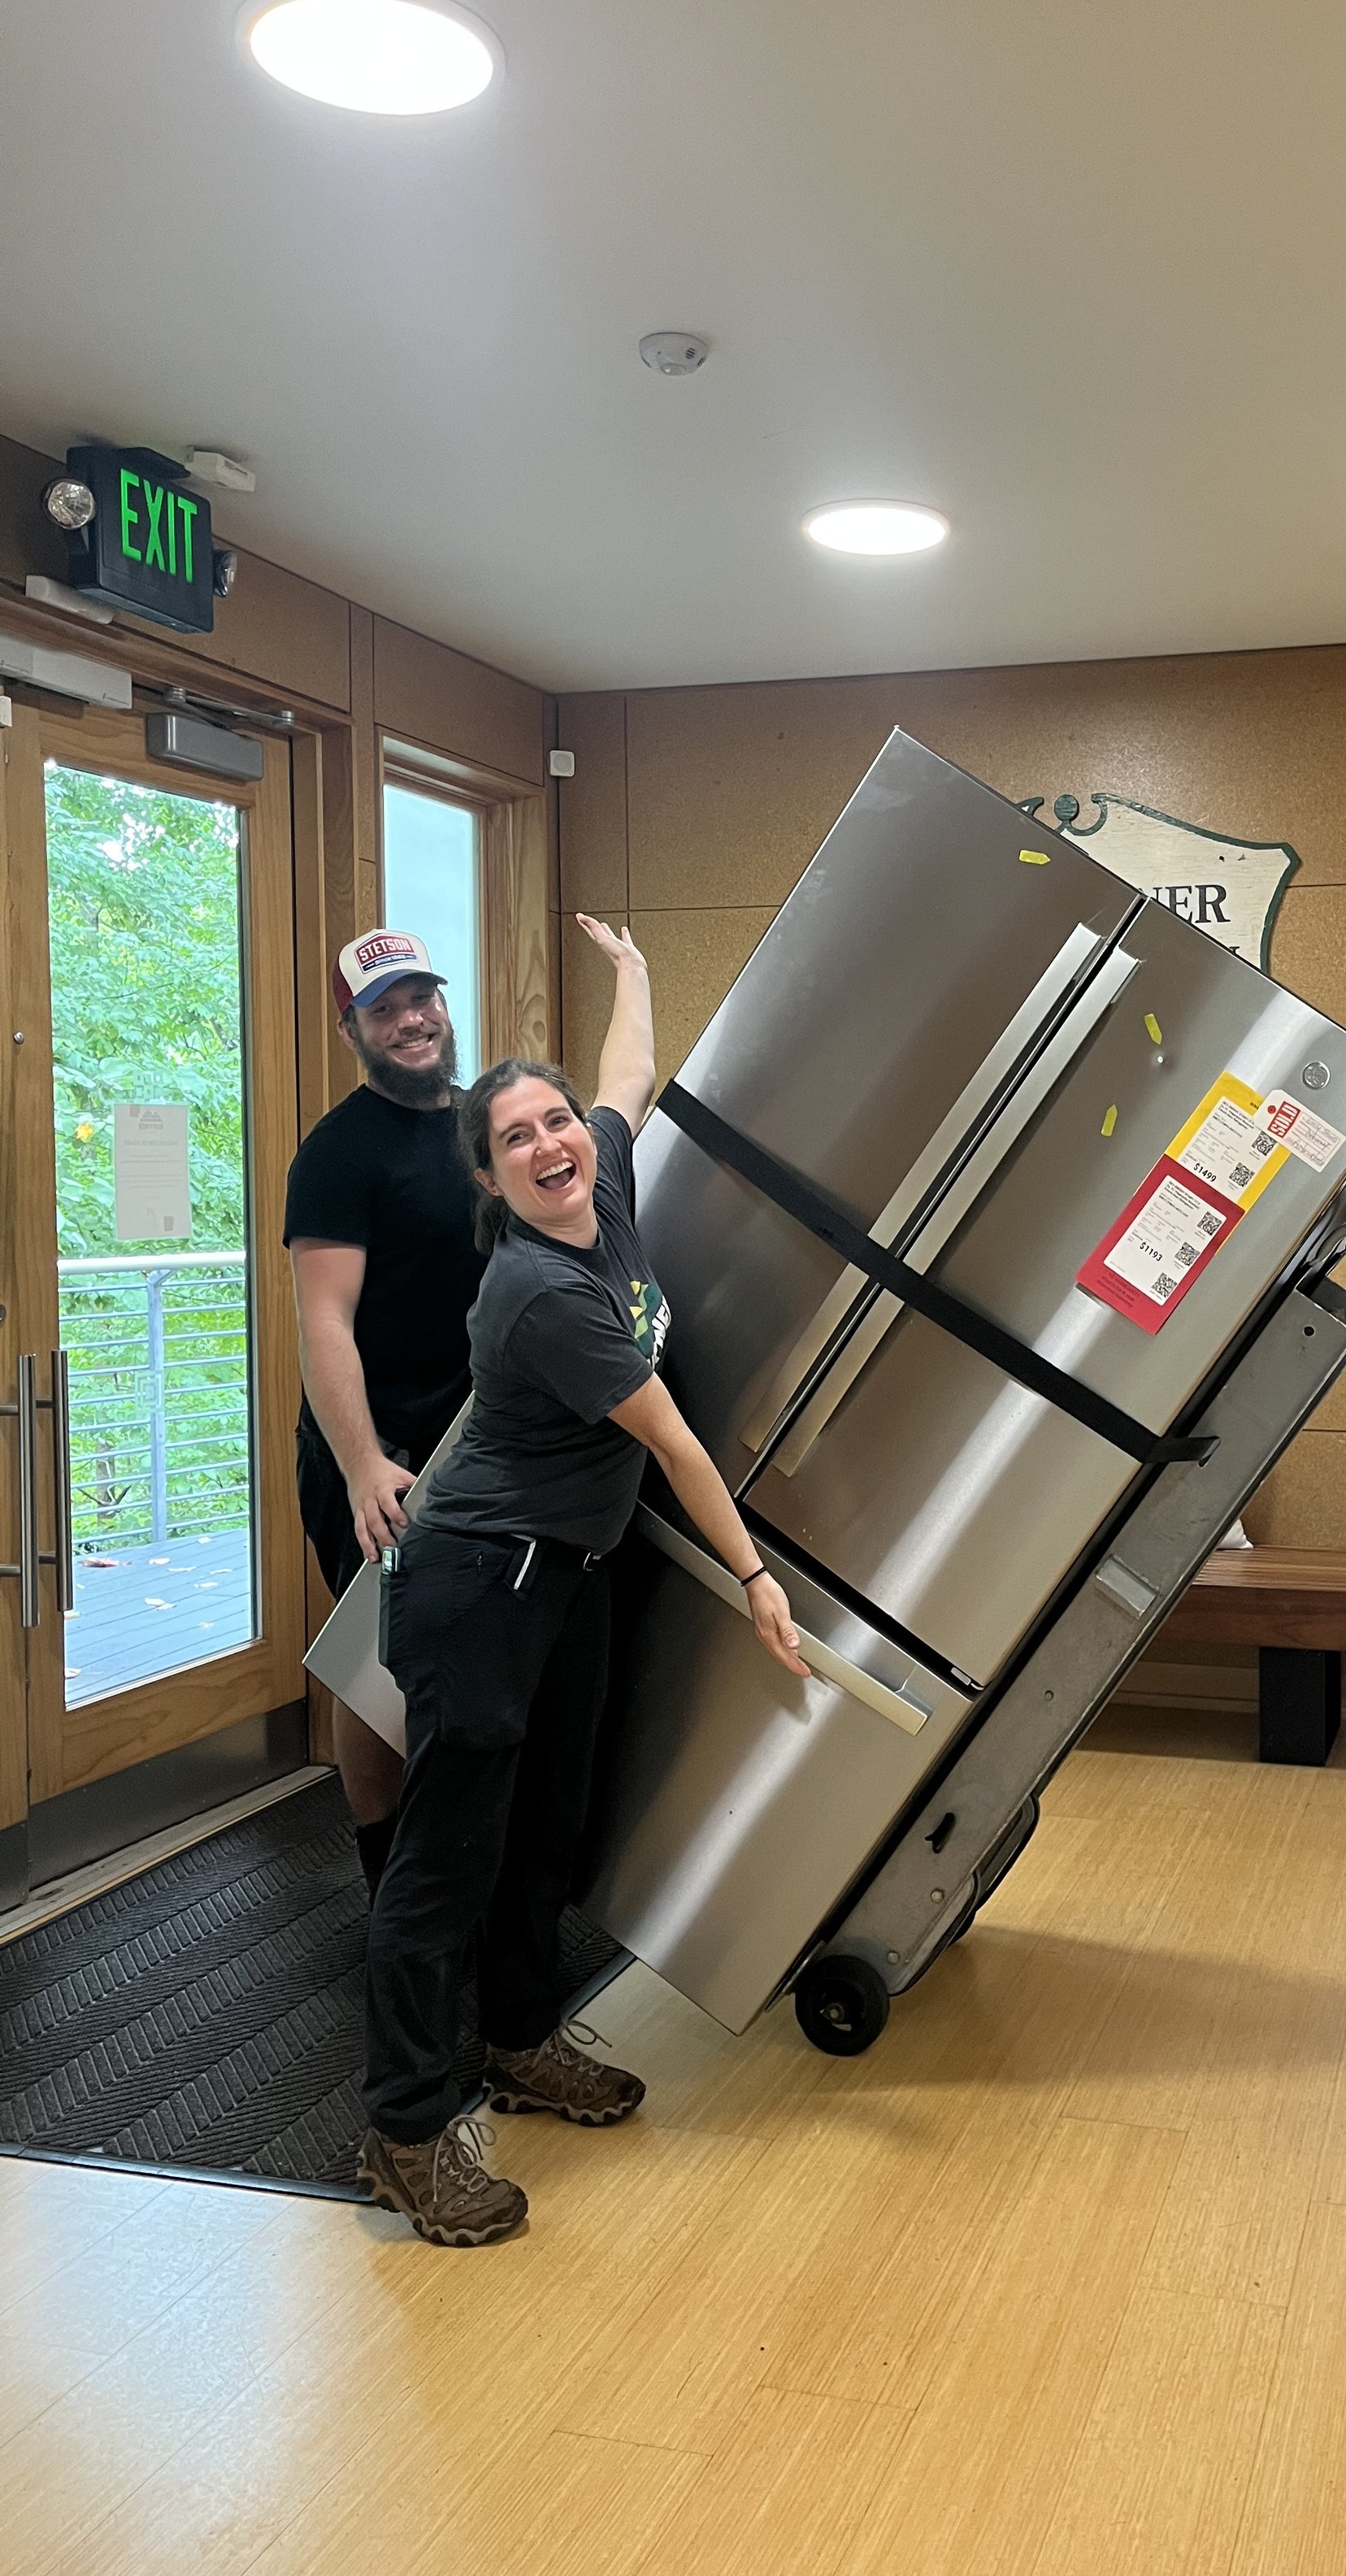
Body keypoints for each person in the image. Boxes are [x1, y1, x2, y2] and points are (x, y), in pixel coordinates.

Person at [358, 915, 805, 2247]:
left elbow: (629, 1082)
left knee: (549, 1824)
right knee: (446, 1859)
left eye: (555, 1121)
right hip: (477, 1582)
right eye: (521, 1140)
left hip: (572, 1570)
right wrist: (759, 1578)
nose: (555, 1143)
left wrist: (636, 976)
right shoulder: (539, 1290)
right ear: (492, 1181)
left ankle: (515, 2037)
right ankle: (404, 2128)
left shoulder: (599, 1175)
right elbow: (671, 1439)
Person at [285, 932, 486, 1897]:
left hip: (473, 1445)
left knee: (453, 1664)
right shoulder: (337, 1153)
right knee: (376, 1667)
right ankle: (386, 1882)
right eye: (384, 1007)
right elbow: (324, 1323)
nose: (411, 1019)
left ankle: (456, 1870)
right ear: (352, 1029)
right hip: (379, 1453)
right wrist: (364, 1463)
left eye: (422, 998)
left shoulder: (486, 1124)